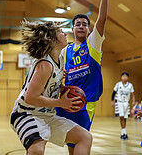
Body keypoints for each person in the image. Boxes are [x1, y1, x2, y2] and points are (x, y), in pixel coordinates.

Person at [10, 20, 92, 155]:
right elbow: (31, 97)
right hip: (26, 114)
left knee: (85, 137)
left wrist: (62, 89)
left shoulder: (60, 58)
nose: (65, 34)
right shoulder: (45, 64)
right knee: (37, 149)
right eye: (60, 32)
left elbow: (50, 86)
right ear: (52, 40)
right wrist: (61, 103)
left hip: (47, 115)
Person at [55, 0, 108, 153]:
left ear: (89, 30)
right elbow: (57, 74)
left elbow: (102, 18)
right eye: (77, 24)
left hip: (86, 101)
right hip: (66, 99)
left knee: (82, 139)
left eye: (85, 24)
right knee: (71, 144)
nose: (81, 26)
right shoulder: (65, 51)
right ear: (72, 29)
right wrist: (60, 78)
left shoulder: (93, 44)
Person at [111, 72, 135, 140]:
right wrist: (112, 101)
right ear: (121, 77)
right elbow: (113, 93)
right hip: (119, 102)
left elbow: (133, 94)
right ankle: (123, 132)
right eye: (123, 76)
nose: (124, 77)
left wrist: (133, 101)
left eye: (125, 76)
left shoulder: (130, 85)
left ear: (128, 78)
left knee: (125, 117)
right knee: (121, 116)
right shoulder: (118, 84)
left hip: (126, 102)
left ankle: (124, 133)